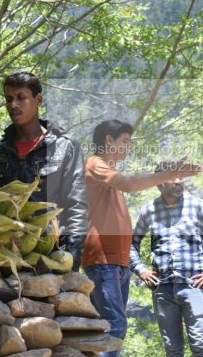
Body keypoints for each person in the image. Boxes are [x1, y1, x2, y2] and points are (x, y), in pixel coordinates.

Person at [81, 119, 201, 357]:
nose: (128, 147)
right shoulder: (96, 164)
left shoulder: (109, 173)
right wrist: (171, 172)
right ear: (108, 140)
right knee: (114, 324)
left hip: (117, 262)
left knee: (111, 325)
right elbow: (128, 184)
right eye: (125, 141)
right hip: (104, 258)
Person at [0, 71, 87, 271]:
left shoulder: (65, 147)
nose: (13, 105)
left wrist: (72, 258)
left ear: (38, 100)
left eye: (21, 98)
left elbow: (77, 205)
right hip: (5, 257)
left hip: (52, 254)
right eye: (9, 99)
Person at [130, 161, 203, 357]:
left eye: (181, 177)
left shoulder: (197, 206)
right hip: (163, 290)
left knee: (201, 345)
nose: (179, 181)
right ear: (159, 183)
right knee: (172, 349)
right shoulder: (149, 211)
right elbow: (130, 244)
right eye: (173, 177)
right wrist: (141, 270)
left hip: (195, 287)